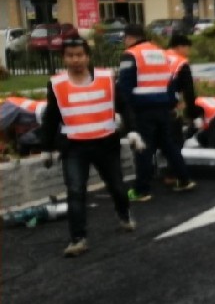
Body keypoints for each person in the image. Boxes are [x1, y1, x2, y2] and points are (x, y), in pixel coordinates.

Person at [37, 34, 141, 257]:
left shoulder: (106, 78)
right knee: (75, 191)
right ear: (64, 59)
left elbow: (124, 106)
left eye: (79, 55)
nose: (75, 60)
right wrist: (46, 147)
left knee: (116, 186)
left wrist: (132, 131)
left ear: (87, 56)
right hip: (74, 147)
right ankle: (78, 238)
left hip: (105, 143)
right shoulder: (57, 84)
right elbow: (51, 117)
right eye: (70, 56)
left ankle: (124, 214)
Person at [118, 23, 195, 201]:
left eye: (125, 39)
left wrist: (127, 116)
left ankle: (141, 190)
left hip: (142, 109)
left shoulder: (130, 55)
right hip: (163, 107)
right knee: (169, 145)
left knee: (143, 149)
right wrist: (172, 104)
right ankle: (184, 179)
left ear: (130, 38)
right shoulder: (160, 53)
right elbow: (169, 81)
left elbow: (125, 88)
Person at [162, 33, 197, 185]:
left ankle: (148, 177)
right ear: (180, 46)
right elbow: (189, 91)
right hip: (170, 108)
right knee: (175, 142)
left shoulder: (160, 57)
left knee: (157, 141)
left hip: (152, 105)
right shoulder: (181, 63)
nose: (188, 51)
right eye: (187, 47)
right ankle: (173, 174)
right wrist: (192, 113)